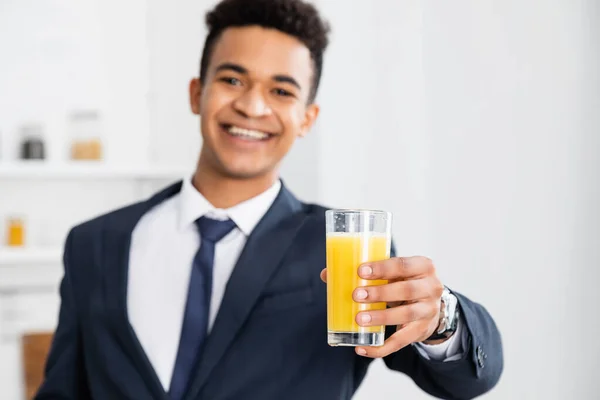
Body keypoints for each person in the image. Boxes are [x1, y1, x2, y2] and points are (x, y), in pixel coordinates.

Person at [35, 0, 503, 399]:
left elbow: (461, 380)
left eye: (281, 90)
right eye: (233, 80)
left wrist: (442, 317)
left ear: (306, 118)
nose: (253, 107)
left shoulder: (343, 251)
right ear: (197, 93)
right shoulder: (95, 243)